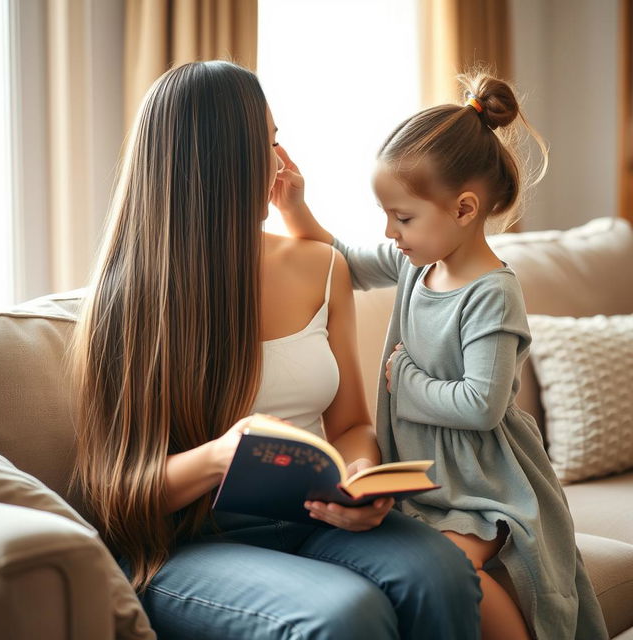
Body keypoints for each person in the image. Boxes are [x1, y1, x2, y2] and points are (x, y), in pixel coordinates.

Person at [71, 60, 481, 640]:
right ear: (224, 163)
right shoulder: (129, 299)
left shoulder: (320, 266)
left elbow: (353, 425)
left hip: (313, 519)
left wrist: (359, 475)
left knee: (440, 572)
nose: (281, 163)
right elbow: (111, 494)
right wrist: (221, 456)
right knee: (343, 616)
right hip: (193, 542)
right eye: (268, 141)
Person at [275, 73, 608, 640]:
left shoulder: (492, 293)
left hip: (485, 482)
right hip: (425, 475)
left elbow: (483, 404)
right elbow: (345, 262)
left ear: (464, 209)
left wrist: (403, 378)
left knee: (449, 572)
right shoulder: (415, 261)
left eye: (402, 218)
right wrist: (295, 211)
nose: (390, 231)